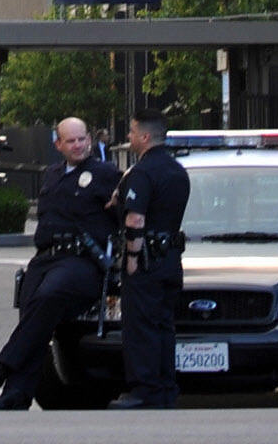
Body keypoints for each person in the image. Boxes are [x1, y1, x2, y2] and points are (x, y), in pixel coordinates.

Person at [0, 114, 120, 410]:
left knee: (47, 299)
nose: (78, 145)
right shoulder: (52, 174)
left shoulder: (107, 174)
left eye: (83, 139)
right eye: (71, 140)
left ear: (90, 141)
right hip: (45, 258)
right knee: (33, 321)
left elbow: (124, 213)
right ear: (58, 144)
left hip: (80, 260)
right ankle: (16, 394)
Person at [110, 107, 190, 408]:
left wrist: (131, 258)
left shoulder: (142, 172)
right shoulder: (177, 171)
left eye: (131, 132)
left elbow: (135, 220)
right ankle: (165, 387)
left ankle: (143, 390)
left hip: (146, 260)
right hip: (171, 258)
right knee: (163, 326)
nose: (128, 137)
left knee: (140, 326)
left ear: (144, 136)